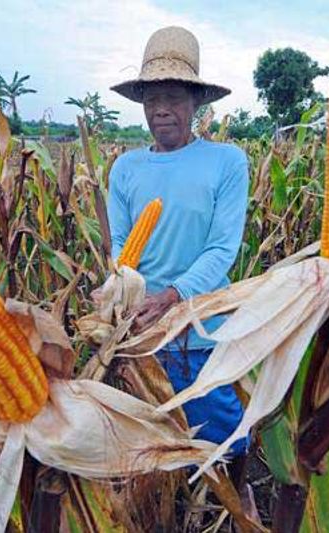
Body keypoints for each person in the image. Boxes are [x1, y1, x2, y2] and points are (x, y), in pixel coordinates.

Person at [108, 26, 250, 466]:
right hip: (139, 326)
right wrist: (122, 289)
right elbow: (118, 242)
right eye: (152, 98)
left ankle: (236, 498)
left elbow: (222, 248)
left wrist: (173, 297)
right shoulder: (125, 168)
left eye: (173, 98)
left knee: (222, 431)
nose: (161, 110)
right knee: (151, 439)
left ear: (196, 103)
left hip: (199, 323)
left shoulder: (227, 161)